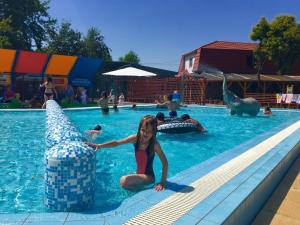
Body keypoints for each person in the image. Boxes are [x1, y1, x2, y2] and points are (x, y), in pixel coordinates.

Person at [85, 115, 168, 191]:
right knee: (125, 182)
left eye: (149, 131)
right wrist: (99, 145)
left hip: (149, 178)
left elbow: (165, 163)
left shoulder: (154, 145)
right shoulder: (135, 139)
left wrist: (162, 182)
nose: (145, 134)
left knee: (124, 180)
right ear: (139, 129)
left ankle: (140, 191)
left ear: (154, 132)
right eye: (143, 130)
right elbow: (117, 143)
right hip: (140, 175)